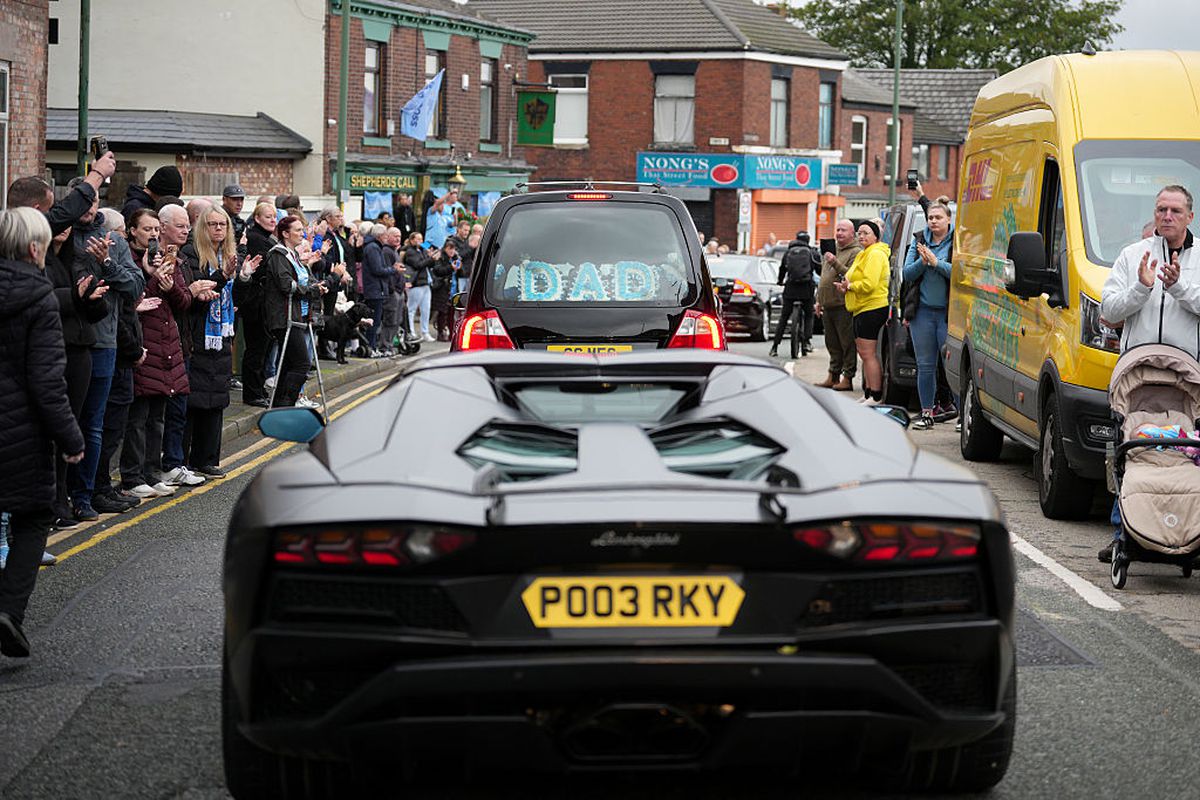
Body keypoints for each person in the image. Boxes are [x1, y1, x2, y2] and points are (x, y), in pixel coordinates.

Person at [0, 207, 86, 658]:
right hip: (22, 435)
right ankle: (9, 612)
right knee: (33, 518)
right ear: (35, 248)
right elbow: (47, 382)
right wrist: (71, 440)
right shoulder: (39, 297)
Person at [1098, 184, 1200, 562]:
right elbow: (1110, 310)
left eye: (1174, 210)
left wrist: (1179, 287)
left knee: (1187, 456)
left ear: (1190, 216)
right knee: (1128, 451)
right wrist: (1141, 288)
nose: (1166, 217)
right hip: (1137, 372)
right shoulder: (1131, 255)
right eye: (1160, 210)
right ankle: (1123, 531)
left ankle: (1189, 529)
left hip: (1187, 377)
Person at [68, 181, 147, 520]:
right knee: (66, 422)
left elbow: (135, 287)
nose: (90, 206)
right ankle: (64, 499)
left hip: (104, 343)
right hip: (67, 340)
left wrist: (108, 264)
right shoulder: (64, 237)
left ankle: (87, 495)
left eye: (94, 199)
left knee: (94, 424)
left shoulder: (113, 240)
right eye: (83, 200)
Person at [120, 210, 193, 499]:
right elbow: (134, 300)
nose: (152, 234)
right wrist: (151, 279)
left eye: (154, 229)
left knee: (157, 417)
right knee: (137, 418)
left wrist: (169, 285)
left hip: (167, 343)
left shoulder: (166, 259)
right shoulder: (130, 261)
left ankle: (152, 472)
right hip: (142, 343)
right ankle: (132, 476)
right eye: (146, 229)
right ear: (132, 231)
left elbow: (183, 301)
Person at [185, 206, 261, 476]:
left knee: (217, 399)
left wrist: (243, 277)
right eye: (213, 224)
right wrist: (224, 276)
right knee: (196, 400)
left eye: (223, 225)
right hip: (200, 333)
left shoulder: (228, 255)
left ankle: (207, 459)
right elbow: (199, 288)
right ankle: (188, 460)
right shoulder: (191, 254)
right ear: (202, 228)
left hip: (223, 333)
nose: (218, 229)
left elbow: (237, 300)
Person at [263, 215, 328, 407]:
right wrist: (311, 290)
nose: (303, 233)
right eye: (298, 230)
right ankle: (286, 404)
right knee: (302, 364)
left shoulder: (294, 255)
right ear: (285, 233)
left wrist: (318, 286)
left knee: (289, 365)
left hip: (298, 316)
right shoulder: (278, 255)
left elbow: (305, 279)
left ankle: (278, 406)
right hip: (284, 317)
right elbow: (286, 285)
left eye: (303, 229)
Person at [903, 196, 955, 430]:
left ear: (948, 219)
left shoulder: (958, 241)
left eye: (938, 217)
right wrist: (923, 263)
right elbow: (907, 273)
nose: (933, 221)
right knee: (925, 365)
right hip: (922, 312)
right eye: (930, 218)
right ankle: (927, 413)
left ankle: (963, 415)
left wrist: (937, 263)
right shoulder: (919, 240)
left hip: (949, 313)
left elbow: (961, 274)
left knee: (952, 365)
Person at [835, 220, 890, 405]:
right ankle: (867, 393)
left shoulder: (875, 254)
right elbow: (853, 278)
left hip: (872, 308)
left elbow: (870, 284)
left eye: (866, 233)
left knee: (869, 354)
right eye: (859, 233)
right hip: (860, 307)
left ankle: (875, 395)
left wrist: (851, 286)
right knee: (863, 353)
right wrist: (846, 287)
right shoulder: (863, 254)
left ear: (876, 236)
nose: (861, 236)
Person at [815, 219, 861, 390]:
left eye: (843, 230)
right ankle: (833, 375)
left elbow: (851, 274)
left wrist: (835, 261)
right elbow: (824, 277)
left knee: (847, 343)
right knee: (832, 343)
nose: (839, 233)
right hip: (828, 304)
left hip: (843, 305)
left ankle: (847, 378)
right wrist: (819, 300)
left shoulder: (856, 252)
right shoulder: (832, 250)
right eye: (838, 229)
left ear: (852, 233)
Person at [770, 231, 818, 358]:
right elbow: (819, 269)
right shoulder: (811, 253)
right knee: (809, 314)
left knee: (784, 317)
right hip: (806, 288)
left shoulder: (788, 252)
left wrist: (780, 281)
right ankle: (807, 341)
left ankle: (775, 346)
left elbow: (782, 269)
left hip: (790, 288)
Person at [360, 223, 391, 350]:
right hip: (374, 290)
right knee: (373, 321)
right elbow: (377, 269)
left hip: (376, 289)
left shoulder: (374, 247)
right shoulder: (373, 248)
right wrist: (392, 270)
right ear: (379, 235)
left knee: (375, 320)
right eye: (385, 235)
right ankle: (370, 347)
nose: (387, 237)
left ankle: (371, 346)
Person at [404, 232, 437, 342]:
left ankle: (425, 332)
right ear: (412, 240)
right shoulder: (410, 252)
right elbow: (418, 265)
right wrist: (430, 259)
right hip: (417, 283)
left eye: (421, 239)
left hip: (426, 282)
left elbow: (430, 264)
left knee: (426, 309)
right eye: (417, 239)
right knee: (411, 308)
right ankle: (411, 331)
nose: (420, 241)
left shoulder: (423, 251)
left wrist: (431, 257)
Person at [430, 237, 460, 341]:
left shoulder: (456, 258)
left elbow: (462, 271)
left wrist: (459, 268)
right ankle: (441, 332)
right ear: (445, 249)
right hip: (443, 287)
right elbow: (438, 270)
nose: (452, 251)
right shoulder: (441, 258)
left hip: (454, 287)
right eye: (449, 249)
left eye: (453, 249)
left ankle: (452, 333)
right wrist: (451, 268)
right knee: (442, 312)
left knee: (452, 312)